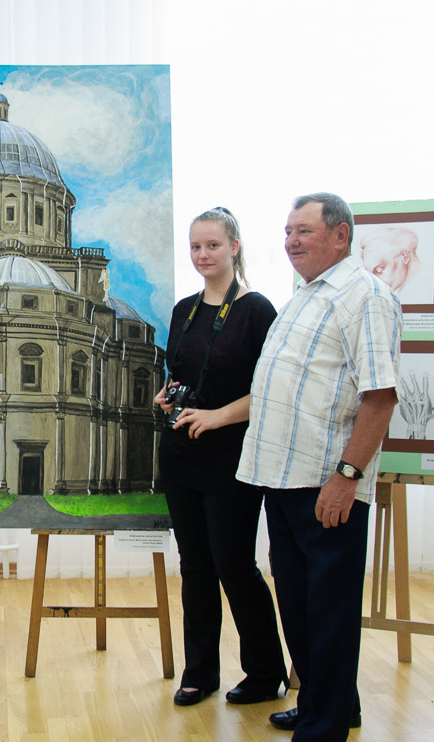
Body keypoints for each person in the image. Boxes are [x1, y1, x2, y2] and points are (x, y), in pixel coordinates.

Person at [238, 193, 401, 742]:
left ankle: (323, 734)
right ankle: (328, 703)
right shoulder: (306, 296)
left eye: (304, 230)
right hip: (282, 479)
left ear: (341, 236)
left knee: (326, 610)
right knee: (301, 604)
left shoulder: (365, 297)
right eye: (286, 231)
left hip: (325, 484)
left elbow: (379, 397)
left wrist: (348, 478)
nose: (291, 241)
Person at [154, 207, 287, 708]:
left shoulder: (256, 310)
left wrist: (215, 416)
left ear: (234, 247)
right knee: (195, 567)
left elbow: (268, 391)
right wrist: (166, 398)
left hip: (232, 456)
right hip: (181, 453)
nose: (203, 255)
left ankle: (264, 671)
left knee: (235, 566)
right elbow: (183, 375)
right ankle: (199, 672)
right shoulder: (183, 309)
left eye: (212, 245)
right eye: (195, 247)